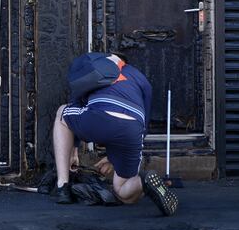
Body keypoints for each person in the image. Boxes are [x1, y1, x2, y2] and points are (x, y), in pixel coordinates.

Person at [52, 52, 178, 216]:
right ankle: (143, 181)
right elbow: (144, 122)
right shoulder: (140, 78)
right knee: (124, 193)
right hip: (133, 128)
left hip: (101, 117)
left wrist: (74, 149)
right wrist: (114, 157)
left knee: (62, 113)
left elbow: (76, 102)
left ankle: (63, 186)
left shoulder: (94, 67)